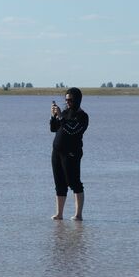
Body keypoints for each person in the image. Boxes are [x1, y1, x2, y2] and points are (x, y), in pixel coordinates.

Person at [49, 87, 89, 221]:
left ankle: (78, 215)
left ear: (77, 100)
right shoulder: (65, 113)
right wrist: (53, 116)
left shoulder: (83, 116)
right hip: (57, 152)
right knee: (59, 183)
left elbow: (72, 130)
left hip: (71, 153)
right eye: (66, 100)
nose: (67, 103)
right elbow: (53, 128)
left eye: (70, 100)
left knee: (74, 182)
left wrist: (60, 117)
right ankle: (59, 214)